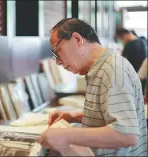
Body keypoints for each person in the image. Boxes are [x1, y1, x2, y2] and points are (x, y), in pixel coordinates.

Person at [37, 18, 147, 156]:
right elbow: (107, 115)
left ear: (77, 39)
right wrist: (74, 116)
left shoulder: (112, 69)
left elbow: (127, 134)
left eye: (57, 51)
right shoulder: (102, 68)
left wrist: (67, 135)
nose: (58, 61)